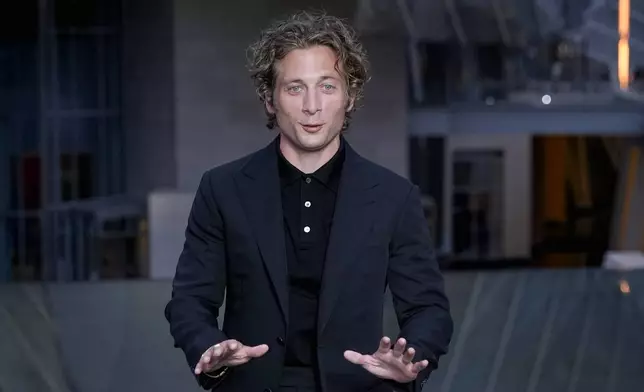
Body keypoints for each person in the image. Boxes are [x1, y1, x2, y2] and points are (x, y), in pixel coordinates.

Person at [164, 10, 453, 392]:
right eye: (295, 88)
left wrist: (411, 358)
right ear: (270, 99)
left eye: (328, 86)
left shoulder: (393, 197)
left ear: (350, 97)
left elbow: (428, 309)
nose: (312, 106)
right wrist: (211, 348)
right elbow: (189, 301)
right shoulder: (223, 189)